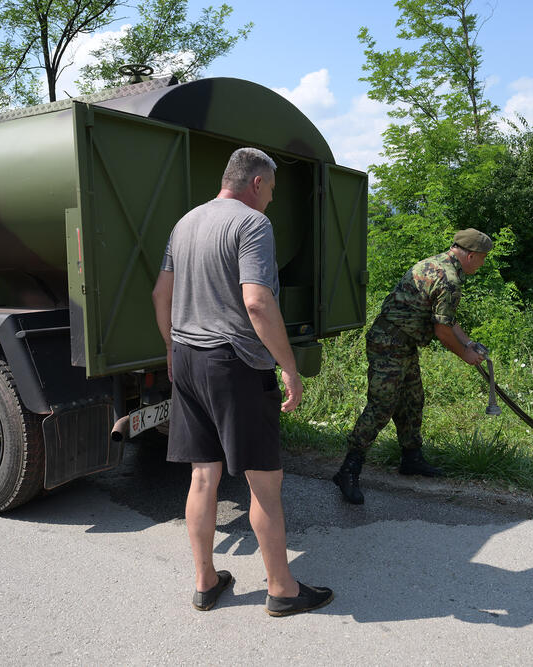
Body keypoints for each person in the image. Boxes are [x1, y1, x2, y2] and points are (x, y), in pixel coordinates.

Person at [151, 147, 333, 616]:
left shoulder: (185, 223)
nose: (271, 198)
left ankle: (205, 581)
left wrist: (172, 348)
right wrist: (288, 366)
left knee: (203, 475)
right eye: (271, 188)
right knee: (263, 483)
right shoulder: (252, 225)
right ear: (256, 182)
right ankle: (282, 590)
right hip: (234, 365)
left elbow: (160, 293)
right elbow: (256, 302)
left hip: (189, 359)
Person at [332, 228, 494, 505]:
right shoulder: (450, 279)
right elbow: (442, 331)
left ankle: (411, 458)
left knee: (412, 400)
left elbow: (446, 318)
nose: (482, 263)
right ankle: (348, 469)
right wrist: (464, 355)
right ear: (470, 255)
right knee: (381, 406)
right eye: (482, 258)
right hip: (389, 343)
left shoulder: (434, 263)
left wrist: (469, 343)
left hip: (401, 343)